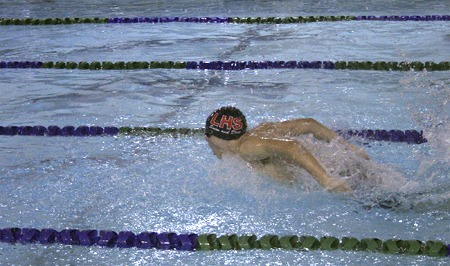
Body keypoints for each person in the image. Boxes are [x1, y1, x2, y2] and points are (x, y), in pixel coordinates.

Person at [205, 106, 370, 193]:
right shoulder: (261, 131)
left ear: (213, 137)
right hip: (347, 165)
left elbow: (291, 146)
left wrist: (326, 180)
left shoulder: (246, 149)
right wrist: (349, 148)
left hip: (344, 178)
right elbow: (309, 123)